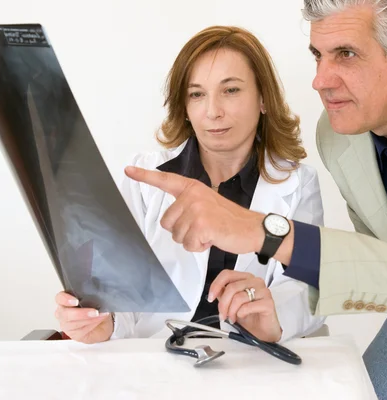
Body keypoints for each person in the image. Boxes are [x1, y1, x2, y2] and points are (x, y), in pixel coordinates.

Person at [125, 1, 387, 399]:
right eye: (318, 55)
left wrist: (261, 231)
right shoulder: (342, 135)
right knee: (365, 392)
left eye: (346, 54)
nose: (319, 81)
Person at [54, 25, 326, 344]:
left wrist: (273, 314)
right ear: (184, 106)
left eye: (231, 90)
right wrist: (102, 322)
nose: (213, 112)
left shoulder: (297, 183)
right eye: (197, 94)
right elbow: (116, 293)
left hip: (249, 363)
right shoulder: (143, 178)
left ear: (263, 98)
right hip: (154, 362)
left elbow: (312, 282)